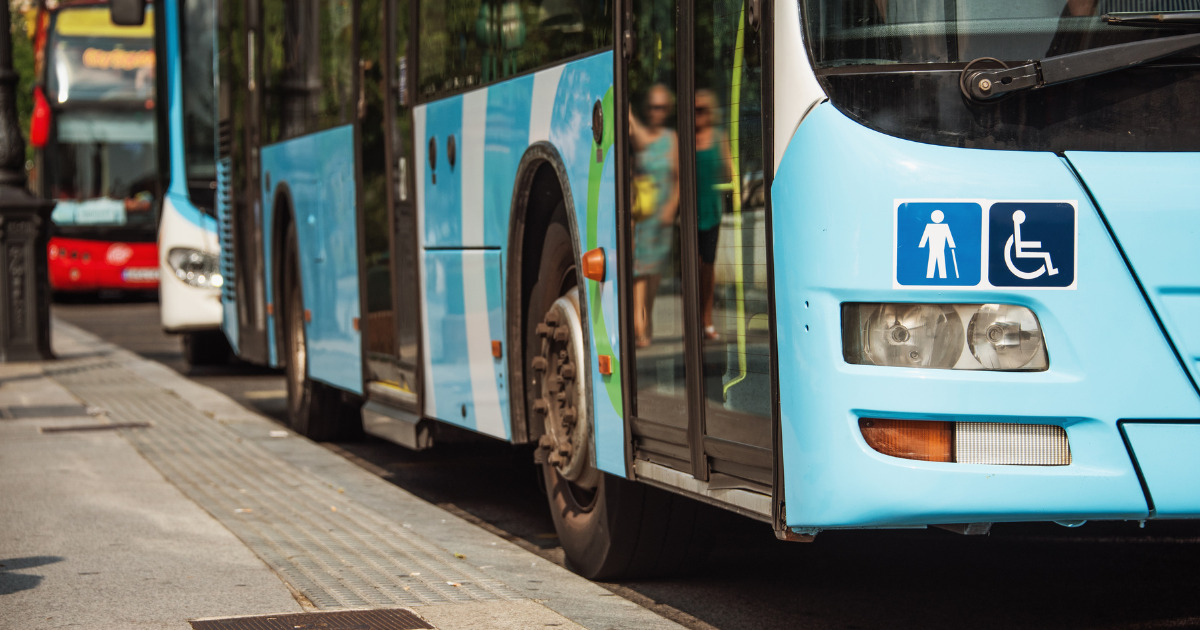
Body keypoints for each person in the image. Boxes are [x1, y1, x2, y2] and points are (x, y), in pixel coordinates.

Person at [628, 84, 679, 348]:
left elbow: (679, 179)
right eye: (651, 107)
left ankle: (646, 320)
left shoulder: (671, 139)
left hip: (663, 218)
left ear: (667, 110)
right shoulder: (643, 136)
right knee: (639, 271)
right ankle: (640, 326)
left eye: (660, 107)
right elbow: (631, 127)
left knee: (654, 274)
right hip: (643, 215)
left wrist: (672, 207)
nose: (655, 112)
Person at [693, 89, 731, 341]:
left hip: (711, 212)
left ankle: (706, 320)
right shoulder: (686, 137)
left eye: (702, 110)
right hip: (690, 212)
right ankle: (693, 320)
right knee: (693, 268)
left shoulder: (719, 137)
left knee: (707, 268)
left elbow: (729, 173)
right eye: (694, 110)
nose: (698, 115)